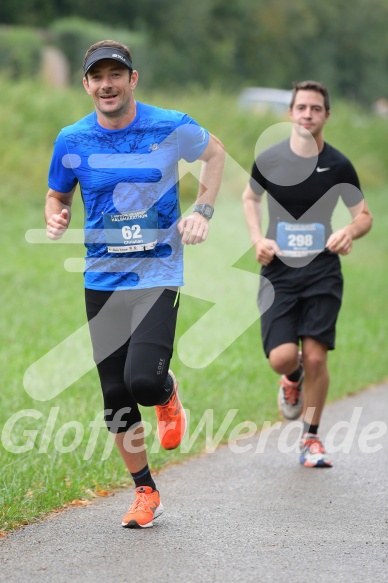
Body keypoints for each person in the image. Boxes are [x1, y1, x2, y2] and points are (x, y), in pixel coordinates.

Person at [45, 40, 225, 527]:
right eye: (97, 76)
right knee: (114, 395)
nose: (107, 84)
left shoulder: (169, 125)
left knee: (142, 380)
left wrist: (202, 210)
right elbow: (56, 193)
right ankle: (145, 491)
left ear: (132, 79)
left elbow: (216, 155)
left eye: (115, 75)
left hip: (157, 272)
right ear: (86, 84)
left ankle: (166, 393)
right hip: (102, 277)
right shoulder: (72, 138)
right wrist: (56, 216)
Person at [242, 80, 372, 467]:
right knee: (283, 358)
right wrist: (256, 239)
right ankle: (291, 378)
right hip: (278, 270)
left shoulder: (338, 164)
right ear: (291, 113)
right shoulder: (270, 159)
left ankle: (311, 440)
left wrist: (348, 231)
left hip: (322, 271)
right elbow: (251, 197)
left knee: (316, 358)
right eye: (302, 108)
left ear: (326, 115)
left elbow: (363, 215)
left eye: (316, 109)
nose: (308, 115)